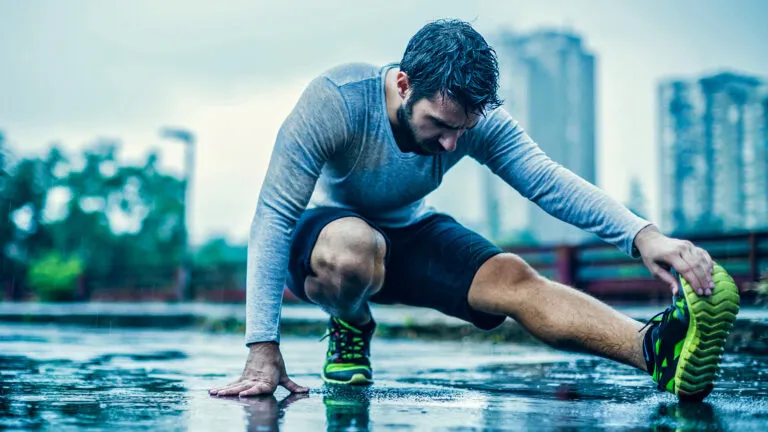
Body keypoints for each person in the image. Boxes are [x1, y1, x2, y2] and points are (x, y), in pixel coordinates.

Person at [209, 19, 739, 402]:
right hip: (329, 239)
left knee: (514, 277)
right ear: (402, 84)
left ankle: (655, 352)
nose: (450, 145)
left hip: (411, 230)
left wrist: (643, 235)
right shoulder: (337, 100)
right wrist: (262, 347)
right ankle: (351, 324)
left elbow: (547, 181)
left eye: (462, 130)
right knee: (355, 247)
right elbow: (275, 214)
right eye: (439, 125)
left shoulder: (472, 120)